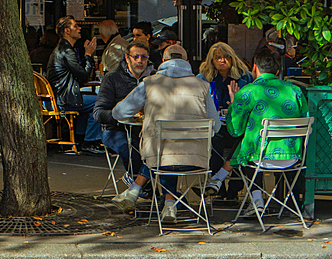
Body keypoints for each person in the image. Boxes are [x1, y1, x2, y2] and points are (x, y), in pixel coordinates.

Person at [111, 44, 221, 223]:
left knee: (164, 153)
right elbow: (215, 126)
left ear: (163, 61)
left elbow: (119, 113)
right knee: (172, 152)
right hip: (197, 160)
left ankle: (136, 190)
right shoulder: (202, 85)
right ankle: (169, 204)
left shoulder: (150, 83)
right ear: (186, 62)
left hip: (158, 159)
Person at [227, 47, 309, 216]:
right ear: (277, 71)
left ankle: (257, 200)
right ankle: (285, 201)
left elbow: (234, 130)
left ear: (254, 67)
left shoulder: (248, 91)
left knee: (247, 148)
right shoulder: (295, 91)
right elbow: (304, 120)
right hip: (293, 159)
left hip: (260, 160)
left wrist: (233, 104)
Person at [197, 42, 253, 198]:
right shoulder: (203, 78)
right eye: (217, 58)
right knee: (214, 144)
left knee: (242, 142)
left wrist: (237, 104)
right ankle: (218, 189)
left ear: (232, 58)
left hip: (237, 124)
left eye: (226, 57)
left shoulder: (244, 76)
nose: (222, 60)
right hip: (214, 125)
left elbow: (251, 103)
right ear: (211, 60)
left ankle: (233, 190)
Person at [94, 39, 153, 178]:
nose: (140, 61)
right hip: (116, 130)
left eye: (144, 57)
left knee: (165, 150)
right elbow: (98, 113)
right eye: (135, 57)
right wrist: (118, 116)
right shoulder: (113, 78)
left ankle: (168, 192)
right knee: (131, 149)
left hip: (148, 130)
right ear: (127, 58)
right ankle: (141, 184)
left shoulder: (154, 78)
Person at [48, 15, 101, 154]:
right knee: (99, 101)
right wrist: (88, 55)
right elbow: (83, 75)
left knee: (91, 101)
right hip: (65, 98)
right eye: (75, 26)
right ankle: (90, 141)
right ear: (67, 31)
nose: (79, 28)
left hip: (61, 96)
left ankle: (80, 137)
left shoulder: (62, 49)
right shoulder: (66, 50)